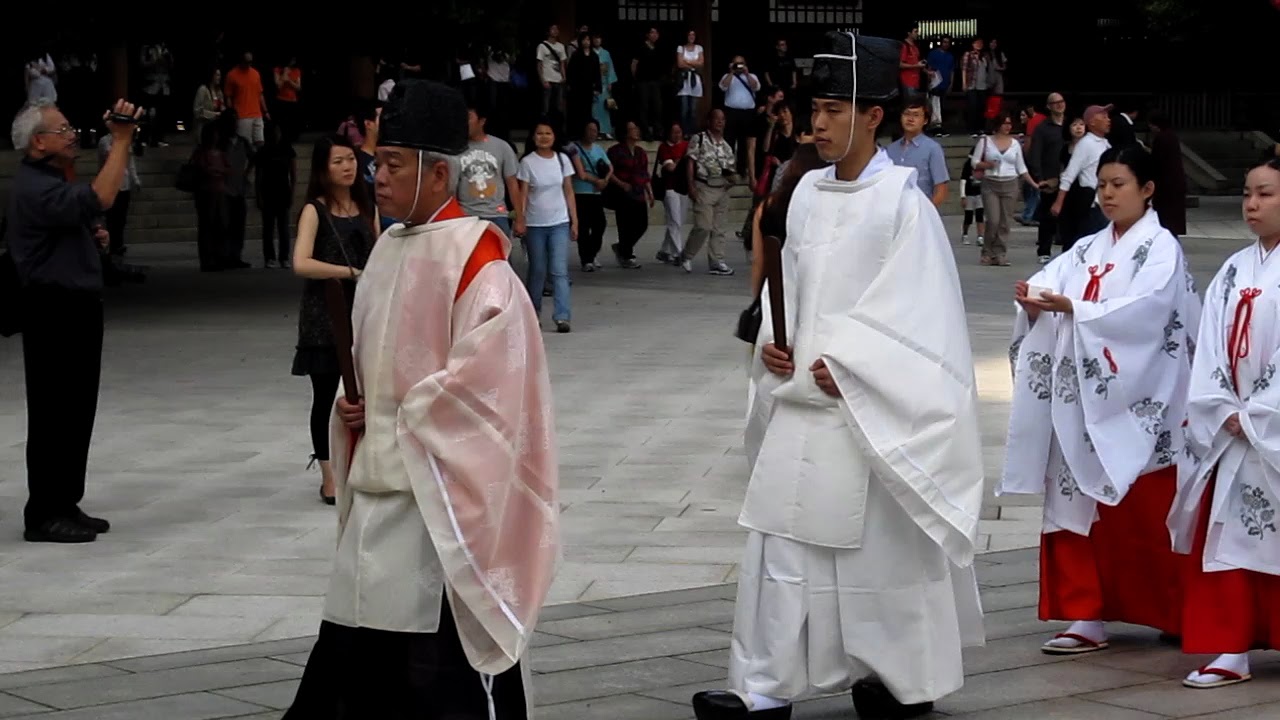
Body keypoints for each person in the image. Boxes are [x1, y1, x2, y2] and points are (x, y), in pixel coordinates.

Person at [691, 31, 985, 720]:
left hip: (866, 411)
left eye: (831, 109)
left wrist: (853, 366)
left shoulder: (902, 204)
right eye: (812, 110)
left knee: (878, 559)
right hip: (800, 403)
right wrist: (772, 341)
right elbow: (785, 285)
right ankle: (763, 682)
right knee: (779, 543)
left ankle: (897, 678)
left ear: (872, 115)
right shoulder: (806, 193)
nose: (815, 124)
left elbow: (923, 314)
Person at [283, 79, 558, 719]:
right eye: (376, 161)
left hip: (436, 499)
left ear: (439, 174)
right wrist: (354, 411)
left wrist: (400, 414)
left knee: (436, 670)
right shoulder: (386, 249)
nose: (376, 176)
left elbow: (492, 386)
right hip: (380, 484)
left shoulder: (478, 261)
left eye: (393, 165)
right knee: (353, 639)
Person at [1003, 145, 1201, 657]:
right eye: (1104, 184)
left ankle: (1170, 608)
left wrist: (1078, 309)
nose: (1108, 193)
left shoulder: (1161, 248)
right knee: (1072, 499)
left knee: (1145, 505)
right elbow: (1054, 280)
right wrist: (1035, 298)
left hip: (1144, 396)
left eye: (1119, 184)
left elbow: (1148, 311)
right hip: (1082, 400)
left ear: (1147, 189)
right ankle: (1084, 613)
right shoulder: (1088, 247)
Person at [1167, 153, 1280, 690]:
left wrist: (1260, 410)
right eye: (1248, 194)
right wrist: (1222, 405)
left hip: (1267, 422)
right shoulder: (1235, 268)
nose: (1252, 204)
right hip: (1234, 420)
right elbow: (1210, 345)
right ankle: (1230, 647)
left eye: (1266, 194)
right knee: (1230, 533)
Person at [8, 98, 142, 543]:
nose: (72, 135)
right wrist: (121, 140)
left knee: (76, 409)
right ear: (38, 141)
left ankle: (64, 502)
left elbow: (85, 211)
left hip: (75, 306)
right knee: (54, 412)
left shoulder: (49, 179)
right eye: (62, 130)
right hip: (53, 309)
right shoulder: (33, 186)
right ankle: (44, 512)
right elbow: (101, 195)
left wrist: (92, 236)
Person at [289, 134, 375, 504]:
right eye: (338, 161)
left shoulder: (365, 204)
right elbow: (301, 262)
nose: (347, 166)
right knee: (325, 395)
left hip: (363, 311)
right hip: (324, 315)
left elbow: (381, 248)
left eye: (351, 159)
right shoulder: (315, 209)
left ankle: (360, 463)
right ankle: (328, 474)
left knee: (364, 394)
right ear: (323, 168)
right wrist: (348, 272)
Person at [516, 119, 578, 333]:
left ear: (554, 137)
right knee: (537, 270)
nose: (543, 137)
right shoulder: (527, 162)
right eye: (539, 133)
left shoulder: (562, 160)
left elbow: (568, 191)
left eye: (548, 133)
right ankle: (533, 314)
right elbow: (523, 193)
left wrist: (574, 219)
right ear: (533, 137)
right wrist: (520, 219)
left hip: (559, 222)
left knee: (559, 271)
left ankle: (562, 316)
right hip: (535, 224)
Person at [970, 112, 1040, 267]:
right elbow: (974, 162)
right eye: (1004, 123)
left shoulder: (1015, 144)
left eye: (1010, 124)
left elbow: (1021, 167)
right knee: (993, 220)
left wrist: (1034, 184)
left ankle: (1000, 253)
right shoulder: (986, 141)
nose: (1008, 127)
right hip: (990, 182)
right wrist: (987, 165)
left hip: (1010, 183)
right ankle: (987, 251)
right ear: (997, 125)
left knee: (1005, 222)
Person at [459, 103, 520, 236]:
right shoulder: (455, 149)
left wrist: (520, 218)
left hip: (496, 214)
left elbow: (512, 184)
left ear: (482, 121)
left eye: (468, 117)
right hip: (465, 216)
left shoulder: (502, 147)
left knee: (498, 256)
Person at [606, 120, 653, 269]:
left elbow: (644, 173)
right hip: (622, 193)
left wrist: (649, 192)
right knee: (625, 225)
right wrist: (621, 183)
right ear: (625, 132)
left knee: (642, 224)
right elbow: (609, 171)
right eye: (632, 129)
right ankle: (626, 254)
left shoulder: (641, 152)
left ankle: (622, 247)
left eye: (636, 128)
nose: (636, 131)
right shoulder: (615, 151)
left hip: (638, 192)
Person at [885, 99, 949, 207]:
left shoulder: (932, 148)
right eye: (906, 114)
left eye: (916, 115)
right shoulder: (890, 150)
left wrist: (928, 213)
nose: (910, 119)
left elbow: (941, 187)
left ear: (925, 120)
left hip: (920, 211)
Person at [568, 118, 612, 271]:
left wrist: (605, 180)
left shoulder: (598, 148)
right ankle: (586, 259)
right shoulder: (574, 148)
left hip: (596, 194)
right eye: (590, 130)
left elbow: (610, 167)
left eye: (595, 130)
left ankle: (592, 254)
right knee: (584, 227)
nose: (592, 133)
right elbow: (581, 173)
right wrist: (597, 181)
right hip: (581, 192)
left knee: (600, 224)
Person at [257, 121, 298, 269]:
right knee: (268, 227)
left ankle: (284, 257)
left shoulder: (287, 149)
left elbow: (293, 173)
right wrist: (259, 196)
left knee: (283, 227)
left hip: (283, 191)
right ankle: (269, 257)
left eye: (278, 132)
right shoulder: (263, 151)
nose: (276, 135)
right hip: (268, 192)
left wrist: (292, 192)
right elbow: (259, 176)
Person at [1148, 111, 1188, 237]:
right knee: (1173, 218)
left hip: (1165, 184)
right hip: (1175, 182)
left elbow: (1156, 161)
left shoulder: (1161, 138)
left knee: (1165, 217)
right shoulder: (1172, 136)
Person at [655, 123, 689, 264]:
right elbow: (671, 167)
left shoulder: (686, 145)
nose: (677, 135)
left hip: (684, 187)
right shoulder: (664, 147)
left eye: (679, 132)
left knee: (679, 221)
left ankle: (664, 250)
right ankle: (679, 253)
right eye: (674, 132)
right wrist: (682, 160)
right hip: (670, 188)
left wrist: (678, 161)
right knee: (674, 220)